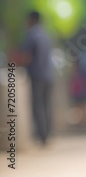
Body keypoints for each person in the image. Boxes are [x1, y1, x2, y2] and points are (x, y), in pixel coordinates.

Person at [16, 11, 54, 146]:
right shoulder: (46, 35)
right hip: (49, 75)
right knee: (46, 105)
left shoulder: (31, 35)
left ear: (31, 20)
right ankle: (47, 135)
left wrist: (17, 65)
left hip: (36, 75)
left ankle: (41, 136)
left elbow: (26, 56)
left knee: (37, 105)